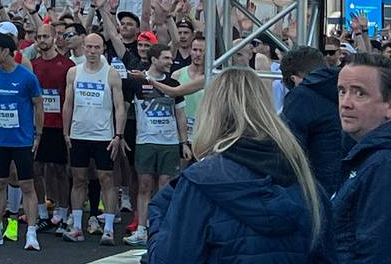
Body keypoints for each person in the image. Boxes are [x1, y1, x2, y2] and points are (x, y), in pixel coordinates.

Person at [146, 68, 331, 264]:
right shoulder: (305, 180)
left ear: (210, 113)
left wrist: (158, 212)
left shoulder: (201, 182)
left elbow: (172, 259)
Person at [0, 32, 43, 250]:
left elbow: (38, 104)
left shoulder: (27, 77)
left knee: (26, 185)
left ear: (6, 52)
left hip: (22, 141)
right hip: (0, 140)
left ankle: (32, 233)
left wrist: (38, 134)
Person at [62, 32, 126, 245]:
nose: (91, 51)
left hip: (103, 136)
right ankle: (77, 227)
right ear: (83, 47)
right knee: (78, 179)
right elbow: (68, 104)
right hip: (79, 134)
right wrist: (66, 132)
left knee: (107, 179)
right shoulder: (74, 72)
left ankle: (108, 229)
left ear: (102, 50)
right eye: (88, 47)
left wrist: (119, 135)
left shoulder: (111, 74)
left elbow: (119, 107)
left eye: (96, 48)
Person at [125, 44, 188, 247]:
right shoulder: (136, 83)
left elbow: (180, 116)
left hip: (168, 143)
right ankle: (141, 229)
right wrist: (120, 135)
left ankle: (161, 228)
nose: (171, 61)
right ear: (154, 60)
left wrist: (183, 142)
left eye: (170, 58)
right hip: (145, 141)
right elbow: (124, 110)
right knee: (143, 186)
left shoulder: (174, 83)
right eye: (167, 58)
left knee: (164, 187)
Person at [332, 53, 391, 264]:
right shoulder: (364, 154)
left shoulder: (383, 165)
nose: (345, 103)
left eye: (359, 94)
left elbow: (376, 252)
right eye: (342, 91)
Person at [279, 45, 343, 196]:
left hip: (314, 189)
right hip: (345, 185)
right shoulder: (347, 88)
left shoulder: (300, 96)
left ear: (294, 79)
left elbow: (289, 148)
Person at [31, 21, 74, 234]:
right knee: (36, 168)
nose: (41, 41)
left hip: (59, 125)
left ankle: (64, 213)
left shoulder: (67, 65)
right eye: (38, 37)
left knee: (59, 170)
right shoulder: (32, 65)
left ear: (54, 38)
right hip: (38, 125)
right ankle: (41, 213)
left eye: (45, 37)